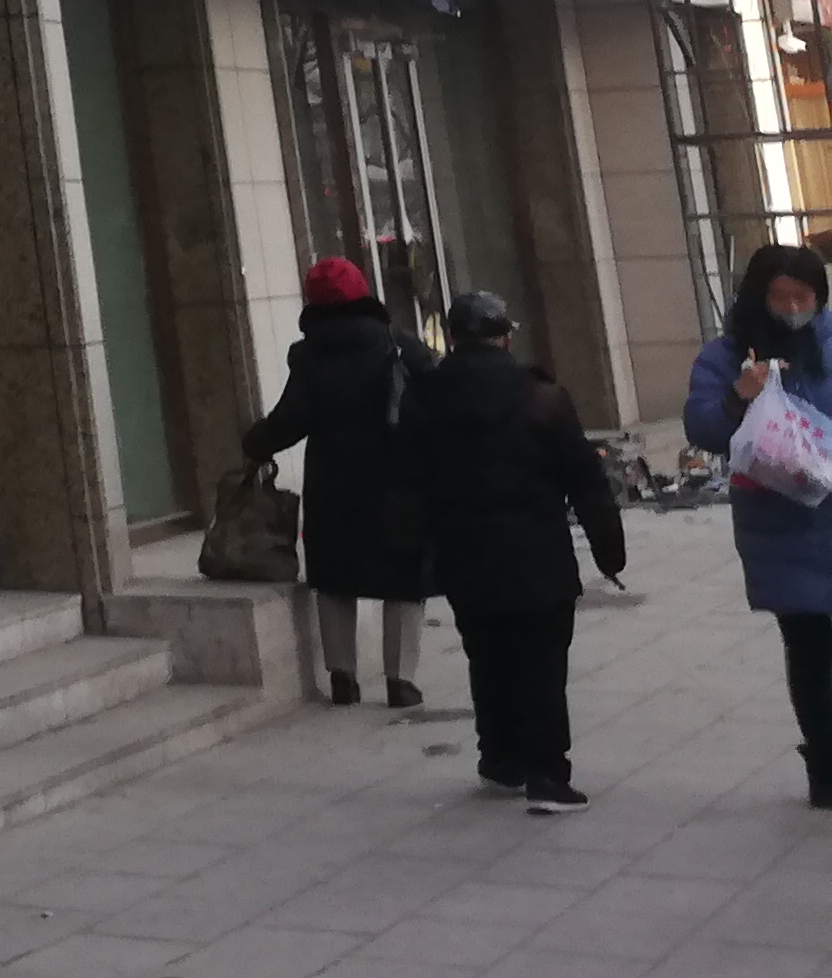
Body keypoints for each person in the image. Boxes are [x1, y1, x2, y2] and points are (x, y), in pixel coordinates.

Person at [402, 288, 625, 811]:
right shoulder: (541, 397)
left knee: (488, 657)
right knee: (542, 664)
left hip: (463, 554)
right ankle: (547, 774)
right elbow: (585, 480)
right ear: (504, 338)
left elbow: (405, 482)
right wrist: (609, 551)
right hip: (536, 554)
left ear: (452, 338)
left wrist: (410, 553)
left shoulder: (423, 399)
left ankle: (501, 759)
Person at [681, 238, 832, 807]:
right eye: (781, 297)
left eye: (804, 297)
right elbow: (703, 429)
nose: (793, 309)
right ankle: (825, 763)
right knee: (810, 645)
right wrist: (739, 397)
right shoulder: (725, 356)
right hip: (780, 522)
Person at [244, 255, 431, 707]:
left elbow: (290, 420)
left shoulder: (309, 356)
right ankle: (400, 680)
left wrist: (255, 443)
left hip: (334, 481)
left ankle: (342, 675)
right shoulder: (399, 344)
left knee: (334, 576)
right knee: (404, 577)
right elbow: (437, 396)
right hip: (397, 480)